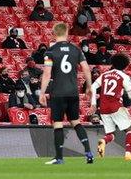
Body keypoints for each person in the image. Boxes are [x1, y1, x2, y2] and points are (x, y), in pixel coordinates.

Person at [39, 23, 94, 165]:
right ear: (67, 32)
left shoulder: (50, 52)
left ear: (53, 33)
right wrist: (89, 87)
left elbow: (47, 73)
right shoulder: (76, 50)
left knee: (58, 123)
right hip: (73, 92)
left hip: (58, 92)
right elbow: (86, 69)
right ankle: (88, 151)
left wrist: (42, 93)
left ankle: (59, 158)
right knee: (75, 121)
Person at [91, 53, 131, 161]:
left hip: (103, 108)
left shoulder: (104, 74)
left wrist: (93, 103)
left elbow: (92, 87)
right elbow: (130, 94)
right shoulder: (124, 76)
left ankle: (103, 140)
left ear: (112, 63)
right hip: (116, 106)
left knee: (111, 134)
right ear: (126, 66)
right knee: (129, 129)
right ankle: (128, 154)